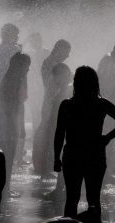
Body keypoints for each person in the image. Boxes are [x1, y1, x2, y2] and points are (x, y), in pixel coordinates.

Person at [54, 66, 115, 220]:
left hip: (72, 154)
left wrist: (56, 157)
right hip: (95, 154)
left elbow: (60, 133)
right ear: (95, 83)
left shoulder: (67, 105)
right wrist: (107, 138)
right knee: (94, 200)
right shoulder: (100, 103)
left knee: (71, 199)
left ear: (76, 82)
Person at [33, 40, 71, 177]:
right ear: (59, 49)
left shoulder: (52, 63)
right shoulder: (50, 64)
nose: (68, 56)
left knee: (49, 134)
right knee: (48, 135)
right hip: (52, 104)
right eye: (67, 52)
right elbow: (52, 85)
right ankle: (43, 167)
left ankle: (44, 166)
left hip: (53, 103)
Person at [0, 52, 31, 198]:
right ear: (19, 66)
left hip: (11, 121)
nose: (28, 69)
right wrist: (15, 125)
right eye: (26, 66)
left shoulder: (16, 79)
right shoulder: (12, 81)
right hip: (7, 122)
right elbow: (9, 106)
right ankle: (4, 189)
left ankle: (5, 187)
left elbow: (19, 105)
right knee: (7, 157)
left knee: (8, 157)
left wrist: (21, 125)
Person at [43, 63, 73, 199]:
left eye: (56, 77)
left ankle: (60, 190)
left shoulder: (67, 90)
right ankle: (62, 189)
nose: (54, 80)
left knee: (65, 159)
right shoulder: (69, 89)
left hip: (65, 130)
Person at [0, 23, 22, 127]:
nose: (17, 37)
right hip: (10, 94)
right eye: (15, 34)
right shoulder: (15, 50)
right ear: (8, 35)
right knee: (10, 127)